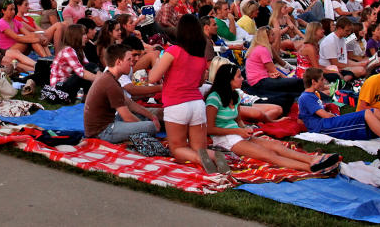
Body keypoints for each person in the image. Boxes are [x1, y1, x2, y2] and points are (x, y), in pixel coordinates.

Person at [206, 63, 341, 173]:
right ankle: (311, 168)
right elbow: (210, 129)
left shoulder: (234, 96)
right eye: (239, 76)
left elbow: (237, 119)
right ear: (229, 80)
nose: (242, 79)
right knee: (268, 154)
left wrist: (244, 128)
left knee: (277, 146)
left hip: (237, 134)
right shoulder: (214, 98)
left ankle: (312, 159)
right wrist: (238, 131)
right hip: (225, 139)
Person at [148, 14, 221, 172]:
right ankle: (213, 156)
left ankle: (201, 160)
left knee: (177, 148)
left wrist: (158, 62)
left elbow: (153, 78)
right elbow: (200, 82)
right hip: (197, 104)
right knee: (199, 147)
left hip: (176, 104)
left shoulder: (174, 51)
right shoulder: (200, 56)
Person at [84, 44, 161, 142]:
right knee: (150, 126)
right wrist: (143, 126)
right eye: (129, 60)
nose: (132, 63)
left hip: (107, 125)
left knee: (145, 117)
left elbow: (130, 104)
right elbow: (127, 117)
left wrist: (152, 116)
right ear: (119, 62)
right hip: (102, 133)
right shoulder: (110, 83)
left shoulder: (110, 78)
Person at [298, 68, 380, 141]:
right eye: (321, 80)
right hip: (323, 127)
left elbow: (302, 118)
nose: (324, 82)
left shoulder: (312, 95)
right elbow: (325, 116)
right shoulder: (306, 97)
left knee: (374, 111)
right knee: (367, 113)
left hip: (326, 123)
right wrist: (334, 116)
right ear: (313, 82)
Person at [46, 24, 96, 102]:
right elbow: (81, 72)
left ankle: (90, 95)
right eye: (83, 34)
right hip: (59, 88)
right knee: (89, 68)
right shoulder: (68, 50)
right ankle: (89, 96)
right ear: (76, 36)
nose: (86, 37)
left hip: (67, 82)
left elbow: (87, 67)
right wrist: (100, 79)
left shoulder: (79, 50)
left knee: (91, 67)